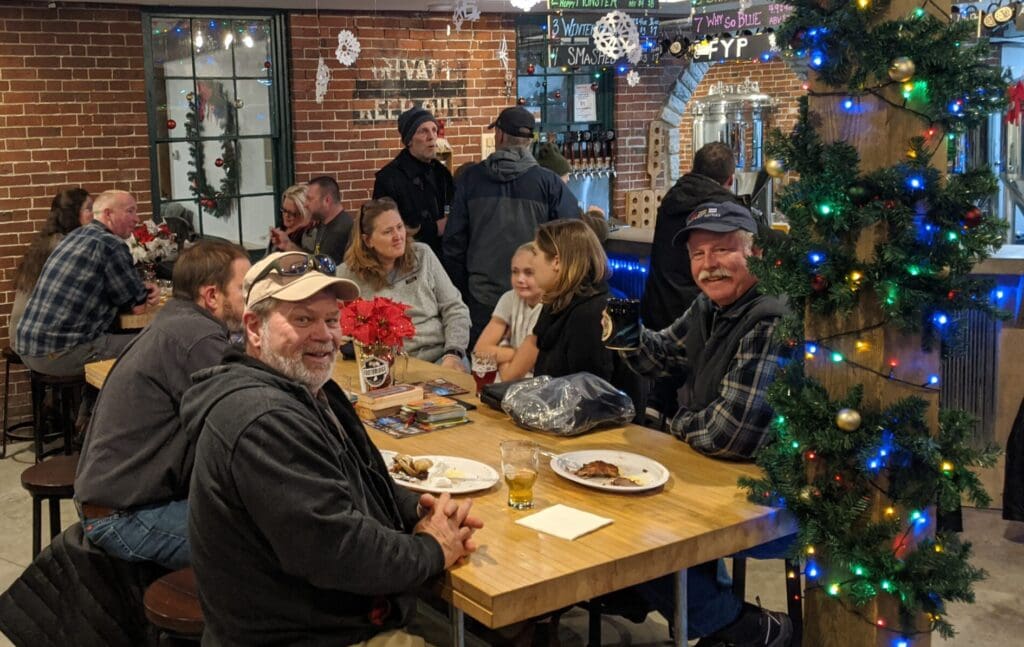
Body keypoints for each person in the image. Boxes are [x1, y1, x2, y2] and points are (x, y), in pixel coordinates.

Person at [182, 252, 482, 645]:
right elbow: (339, 550)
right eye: (303, 319)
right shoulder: (262, 419)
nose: (324, 335)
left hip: (329, 615)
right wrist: (431, 548)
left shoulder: (311, 392)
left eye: (331, 319)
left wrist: (422, 509)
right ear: (255, 328)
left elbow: (367, 475)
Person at [616, 201, 793, 646]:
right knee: (624, 519)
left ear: (753, 251)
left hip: (775, 501)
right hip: (718, 480)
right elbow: (657, 354)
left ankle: (740, 628)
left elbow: (727, 434)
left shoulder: (770, 318)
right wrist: (621, 329)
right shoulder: (707, 307)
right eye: (698, 254)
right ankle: (731, 625)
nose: (708, 266)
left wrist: (677, 421)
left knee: (646, 536)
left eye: (722, 250)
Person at [74, 240, 250, 570]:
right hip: (126, 516)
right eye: (244, 288)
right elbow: (239, 421)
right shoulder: (194, 337)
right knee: (265, 545)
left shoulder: (180, 319)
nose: (252, 299)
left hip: (118, 499)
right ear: (212, 296)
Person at [443, 106, 579, 346]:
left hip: (482, 297)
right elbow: (571, 239)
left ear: (500, 135)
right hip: (535, 298)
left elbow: (454, 241)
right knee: (531, 374)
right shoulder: (548, 182)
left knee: (484, 369)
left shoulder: (470, 179)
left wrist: (462, 292)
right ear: (528, 141)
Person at [14, 189, 159, 377]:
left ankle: (93, 405)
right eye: (130, 211)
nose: (137, 219)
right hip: (58, 352)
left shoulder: (75, 236)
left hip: (28, 345)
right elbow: (137, 308)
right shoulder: (110, 244)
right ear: (109, 214)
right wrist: (143, 294)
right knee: (152, 344)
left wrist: (139, 290)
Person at [337, 198, 470, 372]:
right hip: (384, 364)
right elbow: (335, 324)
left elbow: (455, 309)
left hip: (440, 356)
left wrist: (453, 353)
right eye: (387, 232)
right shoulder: (347, 275)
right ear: (368, 240)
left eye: (400, 227)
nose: (398, 237)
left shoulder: (423, 255)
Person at [642, 142, 741, 332]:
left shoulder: (673, 196)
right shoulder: (725, 208)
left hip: (658, 309)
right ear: (730, 180)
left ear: (693, 169)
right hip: (700, 318)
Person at [525, 219, 614, 382]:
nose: (530, 262)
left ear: (556, 262)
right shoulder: (556, 305)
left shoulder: (591, 315)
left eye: (535, 254)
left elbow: (591, 396)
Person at [373, 106, 455, 259]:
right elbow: (383, 227)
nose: (431, 137)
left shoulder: (442, 173)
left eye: (434, 130)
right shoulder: (388, 178)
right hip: (407, 260)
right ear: (409, 140)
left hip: (444, 259)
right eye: (423, 131)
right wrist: (435, 228)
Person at [10, 187, 94, 336]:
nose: (94, 214)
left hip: (26, 332)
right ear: (73, 215)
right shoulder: (63, 245)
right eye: (89, 209)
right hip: (33, 337)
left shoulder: (47, 240)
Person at [472, 242, 543, 381]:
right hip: (507, 380)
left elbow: (511, 376)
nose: (520, 279)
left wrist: (501, 349)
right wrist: (516, 354)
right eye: (515, 271)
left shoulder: (548, 308)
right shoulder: (509, 297)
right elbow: (479, 352)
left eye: (529, 272)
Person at [269, 175, 353, 265]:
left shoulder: (341, 230)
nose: (305, 204)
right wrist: (288, 245)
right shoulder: (323, 224)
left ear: (327, 200)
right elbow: (314, 261)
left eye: (310, 199)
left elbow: (323, 270)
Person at [278, 183, 312, 248]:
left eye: (291, 213)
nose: (286, 215)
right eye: (284, 210)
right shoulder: (280, 229)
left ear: (303, 212)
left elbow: (307, 257)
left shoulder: (309, 235)